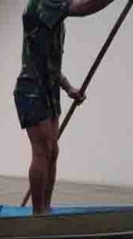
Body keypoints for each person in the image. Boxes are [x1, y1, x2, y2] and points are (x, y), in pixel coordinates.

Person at [14, 0, 115, 215]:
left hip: (49, 88)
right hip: (31, 88)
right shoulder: (44, 3)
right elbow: (83, 7)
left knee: (53, 150)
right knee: (42, 151)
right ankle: (38, 213)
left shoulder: (54, 14)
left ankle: (46, 208)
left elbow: (49, 63)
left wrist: (69, 89)